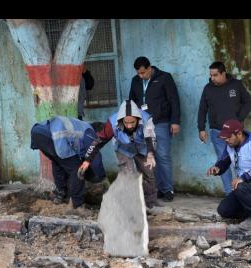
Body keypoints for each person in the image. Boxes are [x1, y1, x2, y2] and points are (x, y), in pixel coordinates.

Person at [77, 100, 160, 209]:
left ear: (138, 119)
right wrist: (87, 160)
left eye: (133, 122)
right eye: (126, 122)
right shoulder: (112, 123)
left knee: (149, 173)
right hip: (123, 148)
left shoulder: (146, 119)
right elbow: (98, 142)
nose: (129, 126)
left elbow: (151, 138)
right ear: (121, 120)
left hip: (143, 148)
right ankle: (133, 205)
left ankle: (151, 203)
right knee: (129, 176)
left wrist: (150, 154)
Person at [129, 56, 180, 202]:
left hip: (161, 122)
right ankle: (156, 189)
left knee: (163, 155)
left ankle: (168, 189)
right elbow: (131, 101)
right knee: (149, 156)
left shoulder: (164, 78)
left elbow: (174, 100)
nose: (141, 76)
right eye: (139, 73)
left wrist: (175, 121)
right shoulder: (135, 81)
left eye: (143, 73)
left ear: (150, 68)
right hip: (143, 125)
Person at [206, 119, 251, 228]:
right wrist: (217, 168)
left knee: (239, 187)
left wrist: (243, 178)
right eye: (225, 138)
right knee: (223, 210)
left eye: (229, 137)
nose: (226, 140)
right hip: (244, 189)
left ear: (239, 134)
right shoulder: (230, 147)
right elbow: (224, 162)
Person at [198, 61, 251, 196]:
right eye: (211, 75)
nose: (213, 78)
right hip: (217, 132)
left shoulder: (236, 85)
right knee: (223, 163)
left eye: (216, 75)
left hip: (236, 134)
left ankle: (243, 192)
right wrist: (201, 128)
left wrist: (239, 119)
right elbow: (202, 109)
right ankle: (230, 194)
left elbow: (248, 102)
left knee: (241, 161)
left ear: (223, 73)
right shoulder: (208, 88)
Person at [30, 115, 106, 209]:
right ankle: (77, 204)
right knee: (77, 169)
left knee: (58, 163)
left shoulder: (80, 126)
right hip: (52, 136)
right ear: (98, 133)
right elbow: (95, 157)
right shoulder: (90, 131)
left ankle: (60, 194)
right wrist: (102, 177)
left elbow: (82, 153)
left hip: (37, 132)